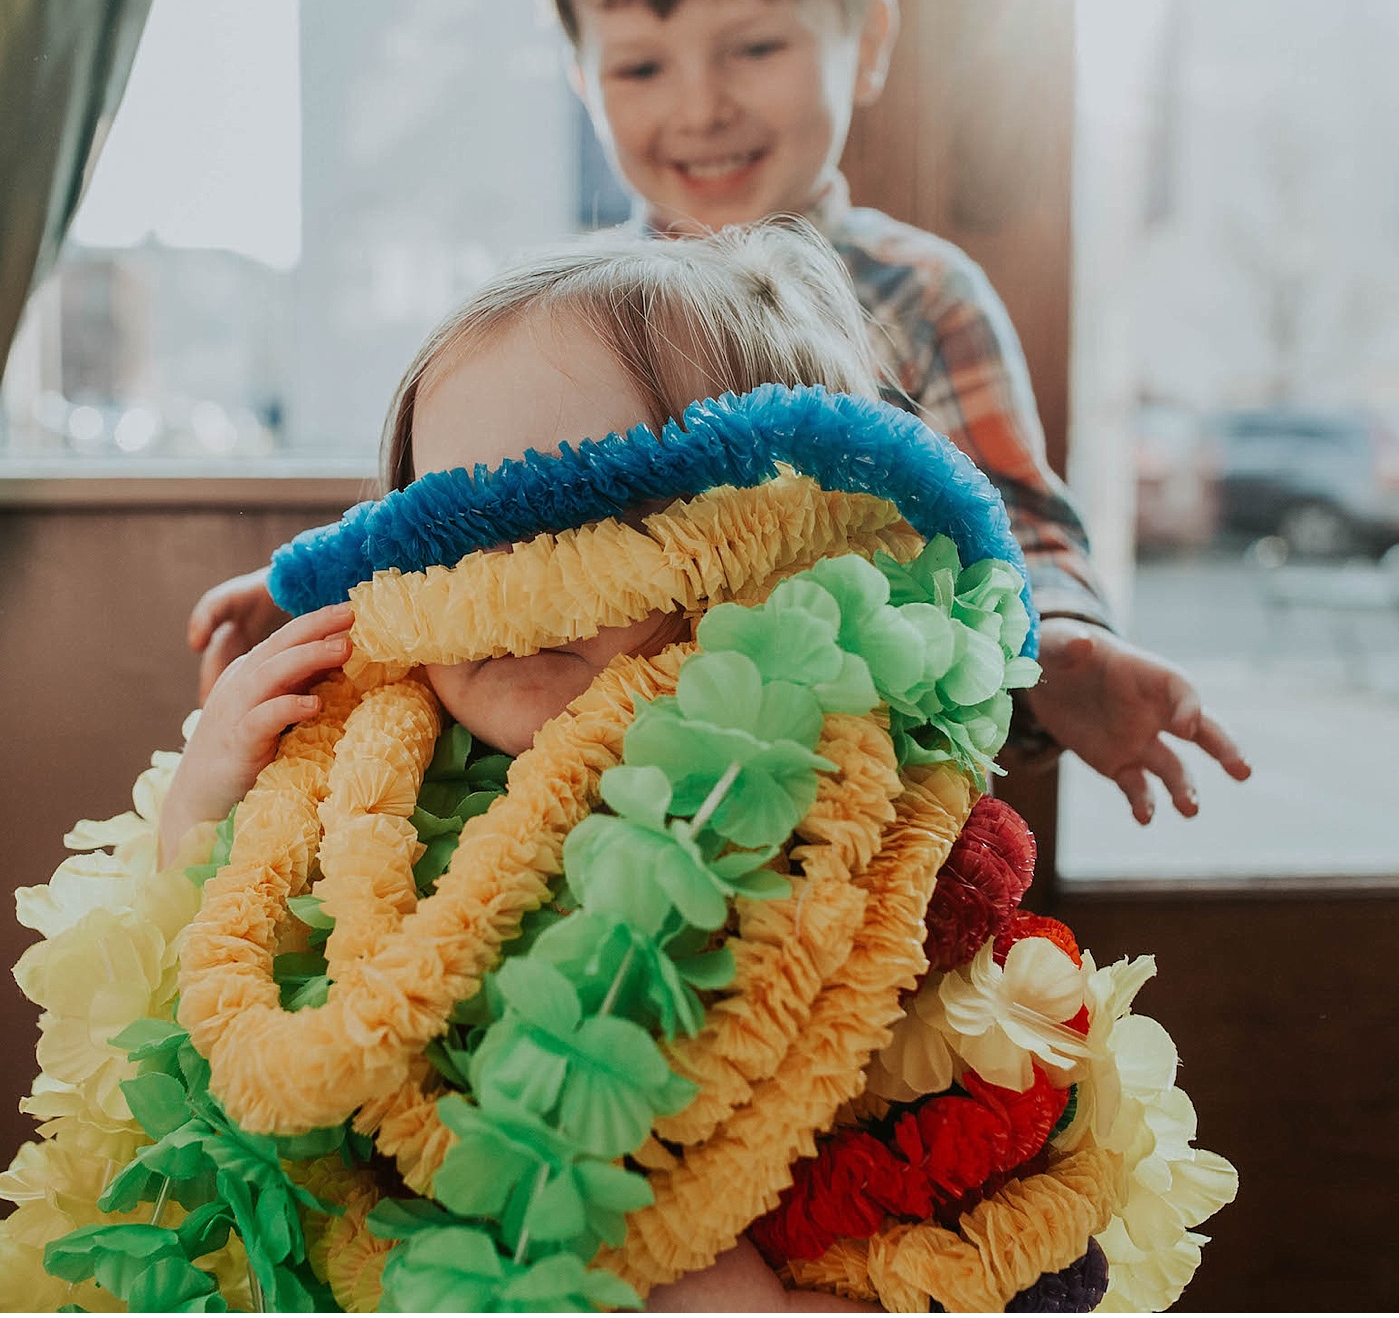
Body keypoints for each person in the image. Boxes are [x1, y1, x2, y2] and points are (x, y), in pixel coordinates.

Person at [163, 220, 1003, 1309]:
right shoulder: (363, 767)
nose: (512, 579)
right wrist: (205, 796)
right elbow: (195, 977)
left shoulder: (845, 820)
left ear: (776, 541)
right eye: (454, 533)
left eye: (593, 518)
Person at [186, 0, 1248, 825]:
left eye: (754, 49)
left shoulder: (918, 292)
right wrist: (317, 584)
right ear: (580, 76)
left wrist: (1055, 640)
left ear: (865, 40)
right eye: (641, 66)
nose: (700, 106)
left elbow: (1008, 512)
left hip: (812, 779)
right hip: (582, 776)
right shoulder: (566, 308)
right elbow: (488, 504)